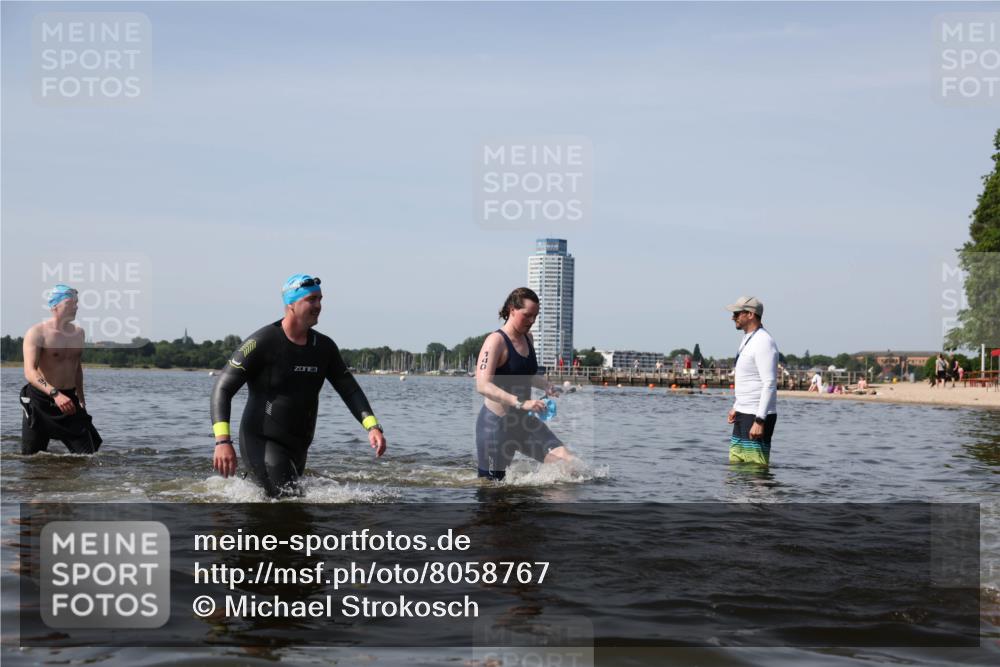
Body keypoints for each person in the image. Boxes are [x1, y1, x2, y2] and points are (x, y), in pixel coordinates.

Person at [210, 274, 386, 497]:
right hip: (262, 441)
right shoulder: (262, 342)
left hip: (299, 447)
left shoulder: (324, 347)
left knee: (287, 504)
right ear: (291, 304)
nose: (319, 306)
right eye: (311, 300)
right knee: (288, 502)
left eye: (320, 299)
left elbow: (349, 389)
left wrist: (372, 426)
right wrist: (223, 441)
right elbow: (222, 389)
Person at [474, 287, 574, 480]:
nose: (532, 321)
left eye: (535, 316)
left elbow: (525, 374)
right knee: (494, 490)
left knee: (568, 464)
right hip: (496, 426)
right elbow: (483, 385)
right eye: (527, 315)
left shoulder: (528, 338)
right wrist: (521, 402)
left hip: (525, 424)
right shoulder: (495, 341)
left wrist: (545, 385)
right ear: (512, 309)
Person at [19, 284, 102, 455]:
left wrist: (81, 398)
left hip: (69, 401)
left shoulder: (79, 333)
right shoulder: (37, 333)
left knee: (88, 456)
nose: (76, 306)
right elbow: (30, 372)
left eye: (77, 303)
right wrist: (55, 394)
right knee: (32, 459)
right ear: (55, 306)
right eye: (71, 303)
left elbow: (76, 367)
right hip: (40, 401)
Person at [724, 296, 779, 466]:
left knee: (755, 471)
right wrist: (737, 405)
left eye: (737, 313)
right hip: (743, 412)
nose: (733, 317)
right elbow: (748, 378)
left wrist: (759, 421)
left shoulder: (764, 342)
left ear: (750, 314)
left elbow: (769, 383)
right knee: (736, 467)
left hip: (756, 416)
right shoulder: (749, 338)